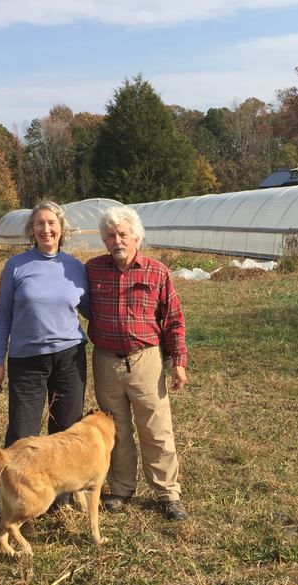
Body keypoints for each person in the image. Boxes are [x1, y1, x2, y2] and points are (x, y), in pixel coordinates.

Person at [86, 205, 189, 521]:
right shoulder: (92, 270)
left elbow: (173, 319)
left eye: (122, 234)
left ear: (136, 237)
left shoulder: (157, 272)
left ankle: (167, 493)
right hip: (106, 362)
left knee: (156, 429)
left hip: (145, 360)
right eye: (110, 235)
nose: (117, 240)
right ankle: (120, 488)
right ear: (104, 240)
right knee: (115, 430)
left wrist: (179, 362)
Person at [0, 201, 90, 453]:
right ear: (31, 230)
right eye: (39, 223)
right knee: (22, 435)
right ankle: (13, 490)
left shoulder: (75, 267)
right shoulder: (16, 265)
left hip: (69, 359)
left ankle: (61, 492)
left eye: (52, 223)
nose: (46, 229)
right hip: (27, 361)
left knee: (66, 433)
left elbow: (91, 311)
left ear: (62, 229)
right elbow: (3, 316)